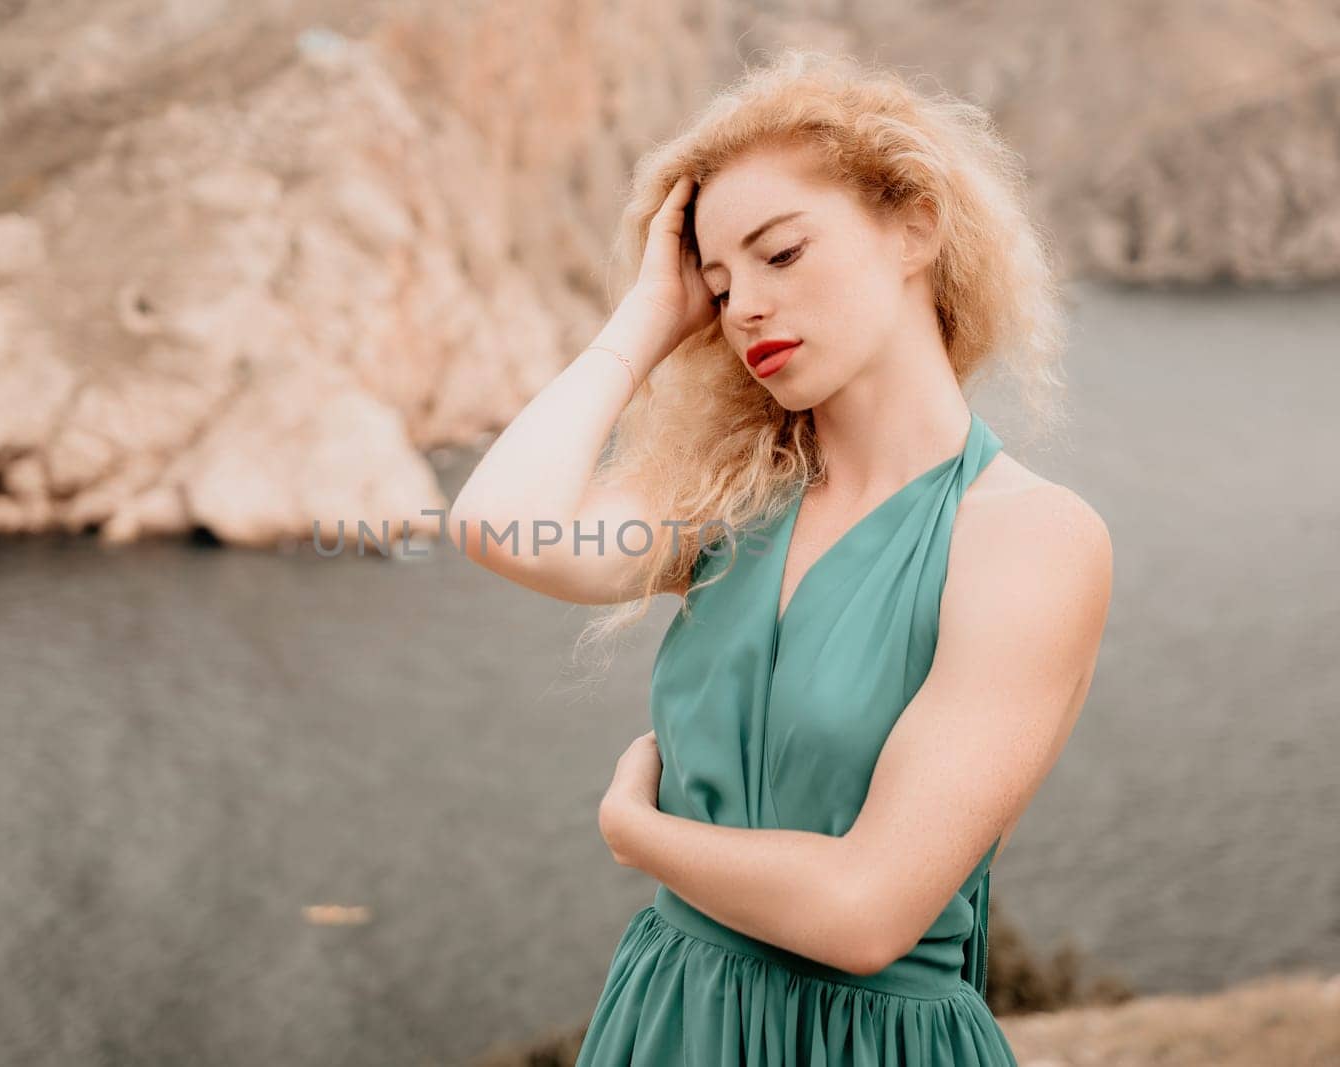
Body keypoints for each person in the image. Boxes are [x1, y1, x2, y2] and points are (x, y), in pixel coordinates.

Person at [449, 48, 1112, 1066]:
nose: (745, 305)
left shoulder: (1029, 536)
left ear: (914, 226)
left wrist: (637, 831)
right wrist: (644, 322)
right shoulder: (729, 497)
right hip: (666, 1020)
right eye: (718, 286)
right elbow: (499, 524)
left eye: (781, 254)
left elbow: (864, 913)